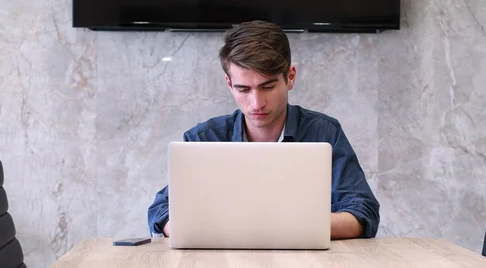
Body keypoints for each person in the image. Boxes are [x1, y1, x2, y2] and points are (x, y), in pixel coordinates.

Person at [147, 20, 380, 240]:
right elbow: (162, 211)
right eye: (243, 89)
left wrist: (277, 226)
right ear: (229, 84)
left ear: (290, 77)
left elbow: (363, 213)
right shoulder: (204, 139)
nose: (256, 103)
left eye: (267, 87)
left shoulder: (324, 132)